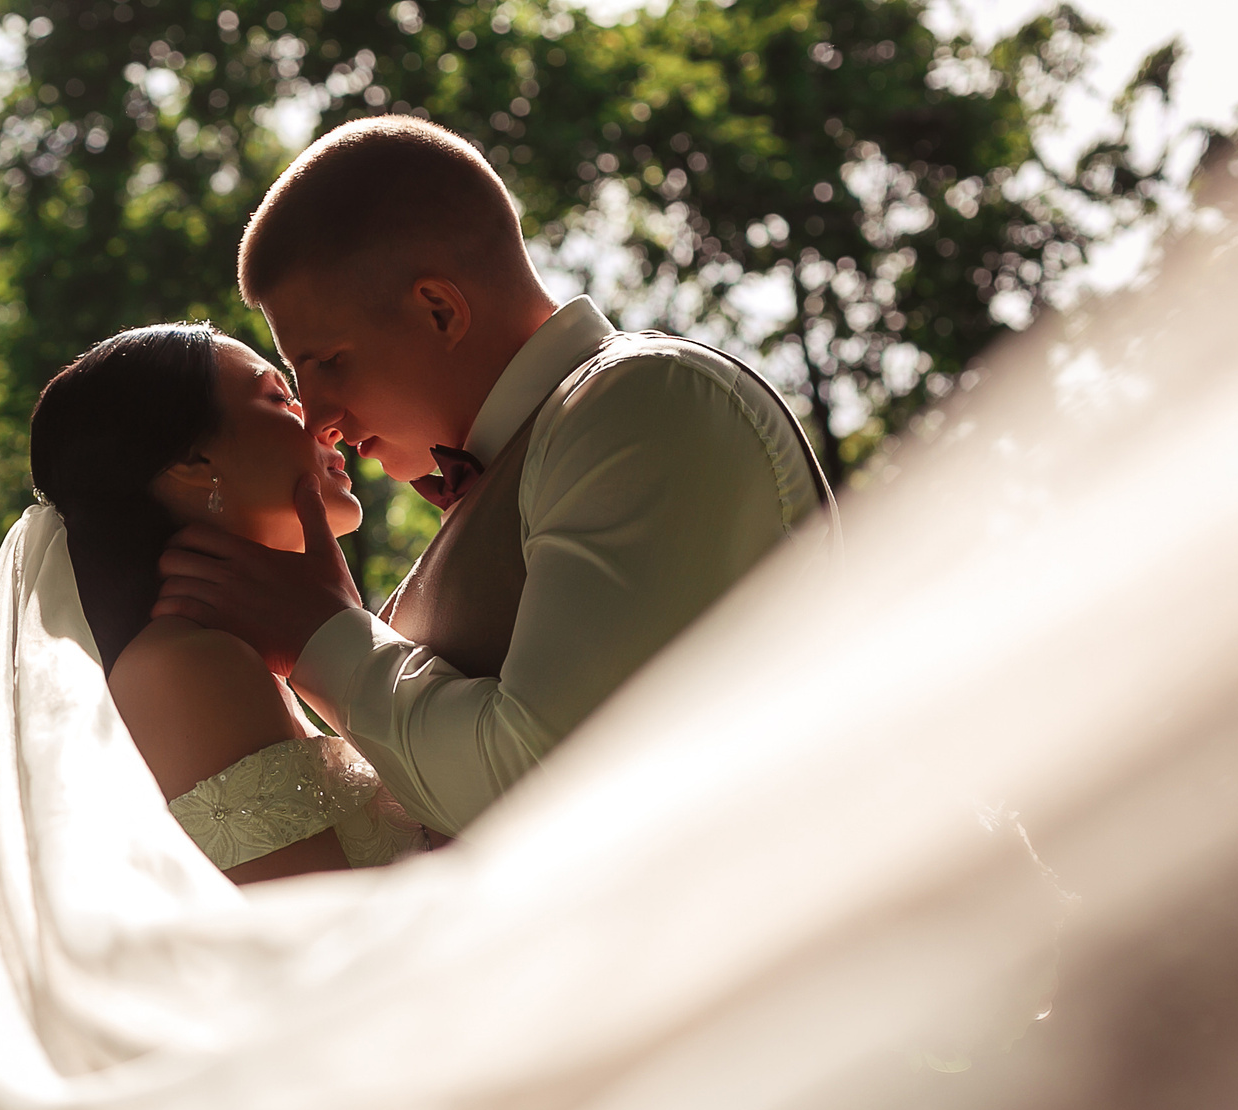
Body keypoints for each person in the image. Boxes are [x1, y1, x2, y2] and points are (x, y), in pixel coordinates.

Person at [155, 117, 836, 837]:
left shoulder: (641, 403)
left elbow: (552, 787)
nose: (317, 417)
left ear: (439, 310)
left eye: (326, 363)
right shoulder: (539, 450)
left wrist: (322, 635)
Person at [29, 321, 425, 882]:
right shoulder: (189, 666)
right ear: (194, 461)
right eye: (279, 399)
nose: (322, 425)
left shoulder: (227, 655)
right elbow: (317, 940)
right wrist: (344, 630)